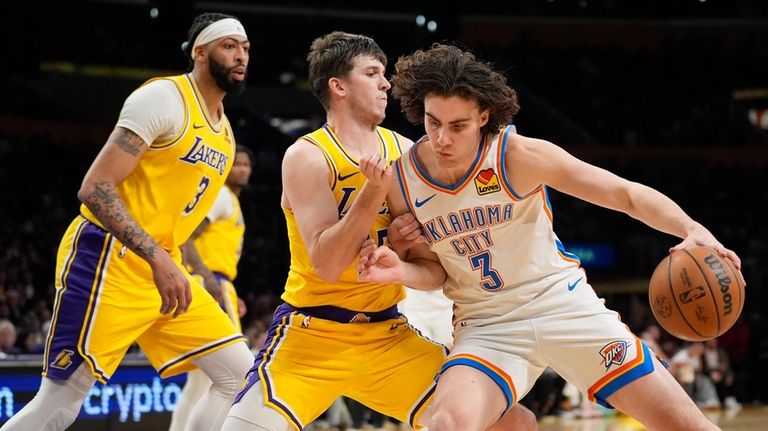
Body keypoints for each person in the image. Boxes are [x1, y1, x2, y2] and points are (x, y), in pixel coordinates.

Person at [358, 43, 746, 430]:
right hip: (488, 325)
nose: (443, 138)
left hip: (561, 304)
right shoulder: (402, 182)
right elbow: (433, 271)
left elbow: (624, 194)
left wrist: (692, 228)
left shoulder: (517, 156)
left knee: (689, 426)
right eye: (433, 122)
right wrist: (402, 269)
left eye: (457, 126)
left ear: (483, 117)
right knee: (445, 423)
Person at [222, 32, 536, 431]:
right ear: (338, 86)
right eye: (372, 73)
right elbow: (328, 264)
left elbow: (433, 271)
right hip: (311, 335)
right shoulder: (309, 155)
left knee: (513, 423)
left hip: (388, 334)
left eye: (383, 74)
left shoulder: (406, 151)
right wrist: (372, 194)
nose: (386, 83)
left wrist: (403, 258)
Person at [0, 12, 255, 430]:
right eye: (229, 46)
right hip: (108, 261)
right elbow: (95, 187)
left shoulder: (225, 135)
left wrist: (172, 263)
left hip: (165, 271)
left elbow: (179, 218)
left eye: (245, 48)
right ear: (200, 51)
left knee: (240, 377)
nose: (241, 55)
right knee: (59, 404)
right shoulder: (164, 99)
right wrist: (158, 257)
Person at [169, 144, 254, 431]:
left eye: (247, 165)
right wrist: (210, 280)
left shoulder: (230, 200)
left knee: (203, 379)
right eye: (238, 163)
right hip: (208, 283)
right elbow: (186, 236)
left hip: (216, 283)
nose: (242, 168)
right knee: (233, 372)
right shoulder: (220, 195)